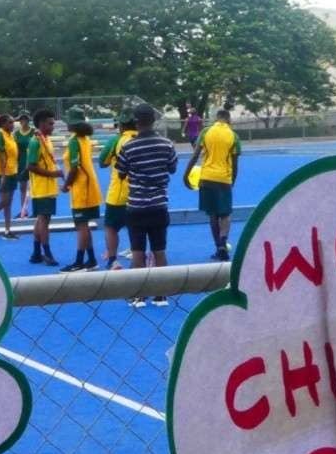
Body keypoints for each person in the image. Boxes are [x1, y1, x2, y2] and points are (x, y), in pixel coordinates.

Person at [116, 103, 179, 306]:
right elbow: (172, 168)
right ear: (154, 120)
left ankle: (138, 294)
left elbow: (121, 172)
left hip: (136, 206)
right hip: (159, 205)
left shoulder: (128, 146)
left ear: (136, 121)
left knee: (138, 252)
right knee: (159, 251)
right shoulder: (167, 144)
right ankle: (161, 294)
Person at [185, 107, 240, 261]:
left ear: (217, 118)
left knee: (213, 214)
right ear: (228, 119)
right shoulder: (233, 136)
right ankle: (223, 242)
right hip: (224, 179)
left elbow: (195, 156)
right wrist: (232, 181)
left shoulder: (205, 132)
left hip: (206, 177)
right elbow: (235, 164)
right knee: (226, 213)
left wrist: (186, 175)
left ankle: (218, 247)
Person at [60, 107, 101, 272]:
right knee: (84, 225)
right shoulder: (85, 139)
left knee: (81, 225)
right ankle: (91, 259)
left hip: (81, 187)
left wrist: (66, 185)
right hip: (89, 185)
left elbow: (75, 167)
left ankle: (78, 262)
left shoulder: (74, 141)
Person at [99, 110, 138, 269]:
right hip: (140, 193)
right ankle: (137, 255)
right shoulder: (144, 138)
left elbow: (102, 162)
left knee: (110, 227)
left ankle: (112, 259)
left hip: (119, 194)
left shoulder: (117, 140)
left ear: (121, 125)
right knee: (136, 227)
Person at [25, 108, 64, 266]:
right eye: (50, 123)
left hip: (47, 187)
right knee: (44, 221)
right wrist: (53, 174)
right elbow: (30, 166)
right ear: (41, 124)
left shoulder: (45, 139)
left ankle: (36, 252)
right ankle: (47, 253)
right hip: (41, 188)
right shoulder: (36, 142)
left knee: (42, 220)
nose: (53, 126)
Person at [13, 111, 34, 220]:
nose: (23, 121)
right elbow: (15, 149)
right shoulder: (16, 134)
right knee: (22, 187)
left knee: (35, 186)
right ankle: (23, 210)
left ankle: (36, 210)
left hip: (33, 161)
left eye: (25, 119)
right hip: (21, 161)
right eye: (22, 119)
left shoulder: (33, 132)